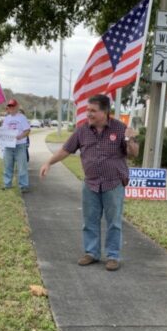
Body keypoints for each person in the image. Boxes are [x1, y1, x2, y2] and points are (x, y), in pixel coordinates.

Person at [39, 94, 139, 271]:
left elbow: (133, 153)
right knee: (89, 221)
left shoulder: (120, 128)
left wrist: (130, 138)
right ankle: (91, 253)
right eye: (87, 110)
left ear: (105, 112)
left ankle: (112, 256)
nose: (89, 114)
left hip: (113, 183)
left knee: (113, 222)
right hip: (91, 183)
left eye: (93, 110)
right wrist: (49, 162)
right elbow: (65, 150)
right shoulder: (82, 130)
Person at [1, 99, 31, 192]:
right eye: (9, 106)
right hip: (9, 146)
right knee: (7, 166)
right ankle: (7, 184)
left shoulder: (22, 117)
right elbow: (4, 131)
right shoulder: (6, 119)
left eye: (13, 106)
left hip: (20, 146)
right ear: (8, 108)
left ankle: (24, 186)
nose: (11, 108)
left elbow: (27, 130)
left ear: (17, 107)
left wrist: (20, 136)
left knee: (22, 167)